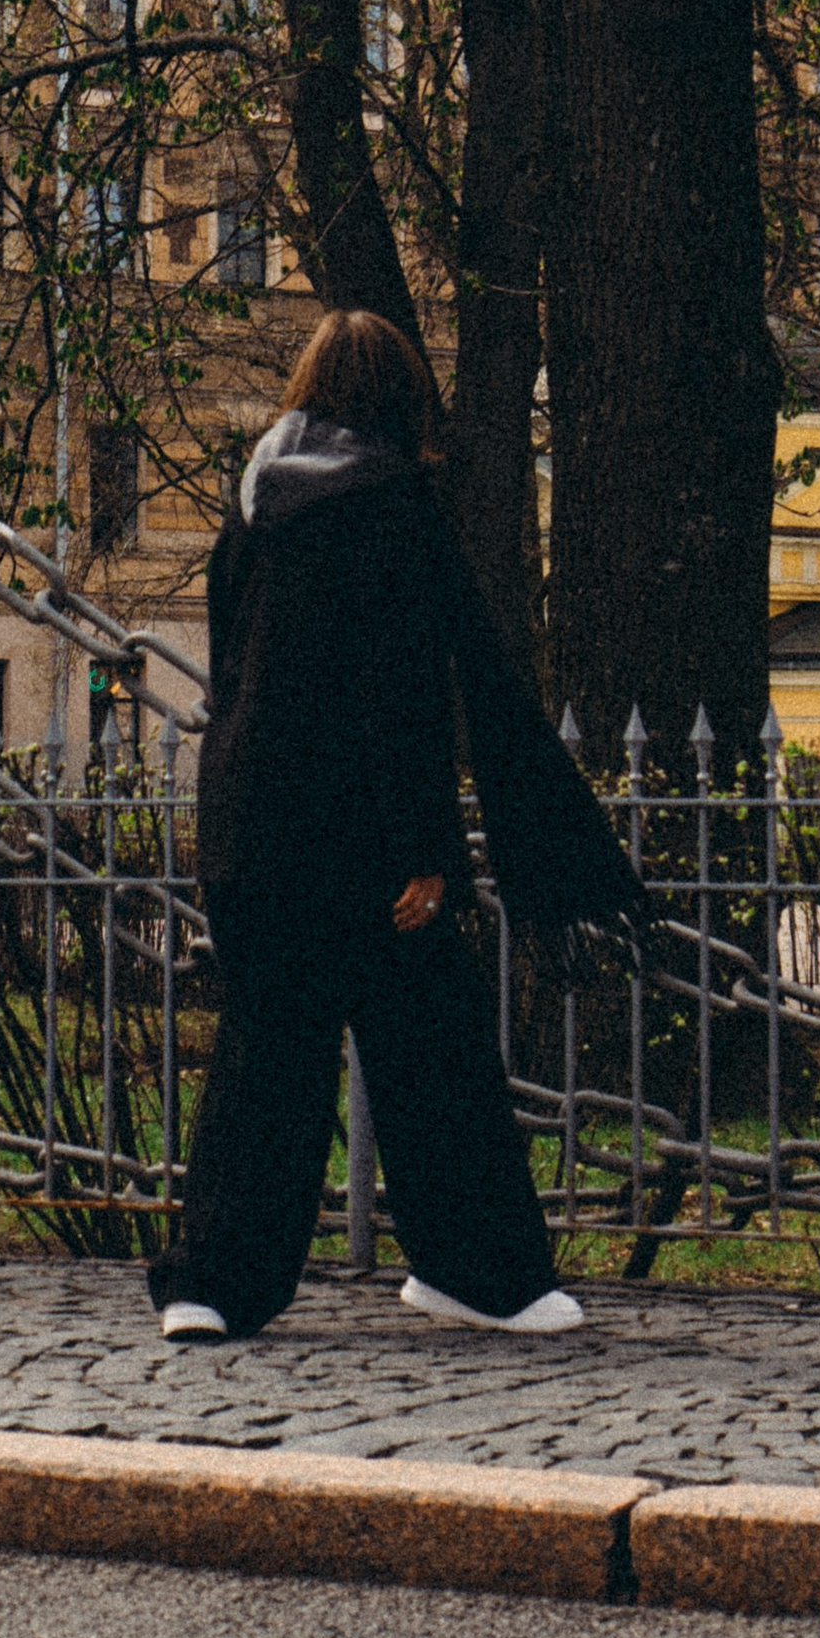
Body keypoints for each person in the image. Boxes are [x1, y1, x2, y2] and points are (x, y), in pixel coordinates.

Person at [149, 308, 650, 1345]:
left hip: (249, 821)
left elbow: (238, 671)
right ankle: (481, 1273)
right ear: (399, 397)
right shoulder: (393, 506)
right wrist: (425, 850)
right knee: (434, 1057)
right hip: (357, 834)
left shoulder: (249, 509)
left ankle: (210, 1286)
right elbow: (405, 691)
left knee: (264, 1054)